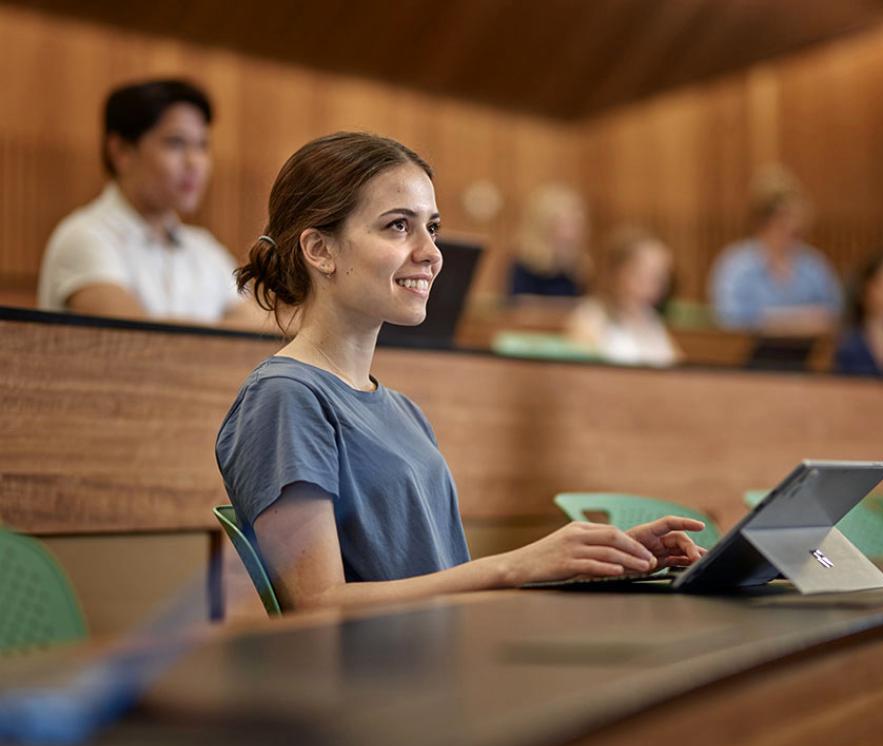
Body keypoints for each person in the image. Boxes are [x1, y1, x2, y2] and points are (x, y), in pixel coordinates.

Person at [215, 133, 705, 612]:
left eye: (432, 227)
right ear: (320, 250)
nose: (431, 252)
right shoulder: (286, 397)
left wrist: (586, 563)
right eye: (397, 226)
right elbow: (318, 606)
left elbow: (442, 587)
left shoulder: (402, 410)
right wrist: (518, 565)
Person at [37, 78, 269, 330]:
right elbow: (140, 341)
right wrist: (224, 325)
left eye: (202, 145)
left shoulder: (204, 249)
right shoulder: (84, 237)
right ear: (121, 151)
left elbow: (257, 328)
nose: (195, 163)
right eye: (176, 143)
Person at [708, 167, 842, 334]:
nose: (791, 225)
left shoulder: (814, 265)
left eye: (796, 217)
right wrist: (797, 321)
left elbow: (834, 315)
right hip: (750, 357)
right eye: (782, 218)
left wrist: (769, 319)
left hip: (809, 356)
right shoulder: (735, 265)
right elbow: (730, 320)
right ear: (763, 220)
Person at [565, 228, 681, 367]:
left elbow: (679, 369)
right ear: (619, 272)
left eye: (661, 276)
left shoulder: (652, 319)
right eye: (646, 274)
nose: (656, 284)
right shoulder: (590, 318)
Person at [507, 184, 589, 298]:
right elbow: (521, 305)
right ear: (544, 225)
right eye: (565, 223)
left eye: (576, 222)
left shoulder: (577, 266)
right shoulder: (524, 265)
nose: (574, 230)